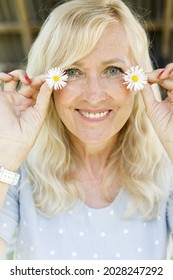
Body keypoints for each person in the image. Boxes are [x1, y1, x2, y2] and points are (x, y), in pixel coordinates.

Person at [0, 0, 173, 260]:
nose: (94, 96)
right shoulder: (16, 173)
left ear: (141, 80)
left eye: (113, 70)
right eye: (72, 71)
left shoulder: (166, 168)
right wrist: (7, 154)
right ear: (46, 83)